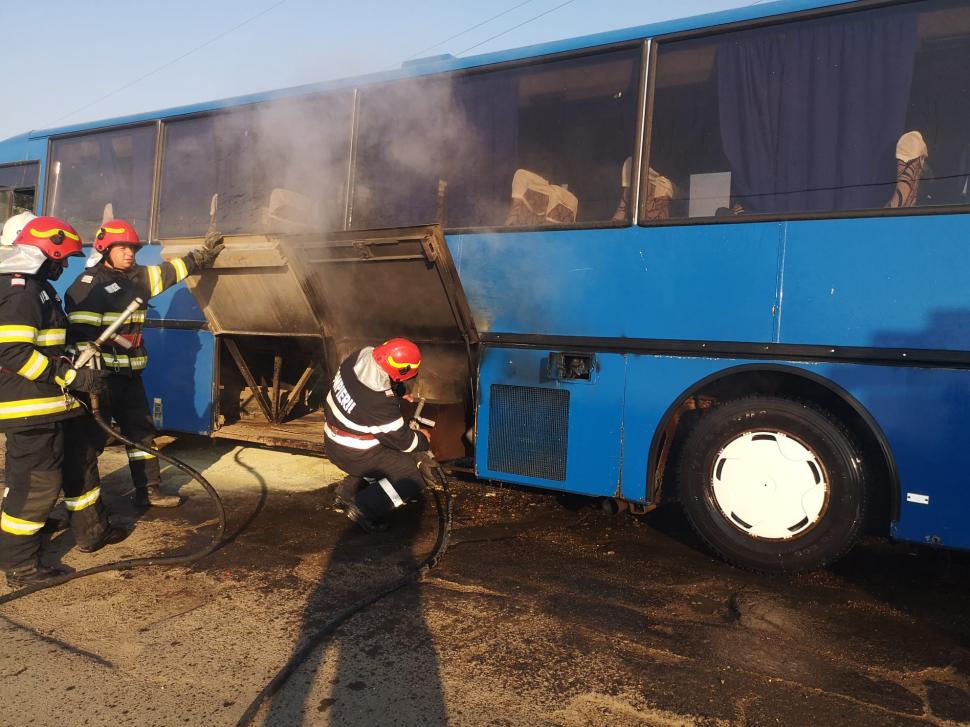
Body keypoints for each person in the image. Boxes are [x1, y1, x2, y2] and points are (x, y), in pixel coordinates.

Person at [0, 216, 126, 588]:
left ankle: (91, 531)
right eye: (63, 258)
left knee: (80, 462)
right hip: (29, 410)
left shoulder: (40, 289)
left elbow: (49, 344)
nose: (66, 265)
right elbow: (13, 353)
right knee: (36, 483)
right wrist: (73, 376)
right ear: (47, 251)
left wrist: (77, 353)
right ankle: (20, 565)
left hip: (54, 403)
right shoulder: (19, 290)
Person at [65, 219, 224, 508]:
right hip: (100, 378)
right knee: (90, 442)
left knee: (141, 434)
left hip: (130, 376)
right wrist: (89, 377)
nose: (130, 253)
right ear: (105, 249)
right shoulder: (88, 286)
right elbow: (80, 338)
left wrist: (202, 255)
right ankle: (80, 504)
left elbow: (173, 271)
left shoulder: (140, 277)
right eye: (122, 247)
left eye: (133, 248)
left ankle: (149, 491)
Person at [324, 338, 433, 532]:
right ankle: (363, 508)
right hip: (353, 451)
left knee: (384, 459)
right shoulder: (378, 401)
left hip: (333, 438)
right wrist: (422, 438)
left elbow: (362, 395)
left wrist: (398, 393)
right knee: (410, 477)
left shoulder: (357, 357)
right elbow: (404, 441)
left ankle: (346, 493)